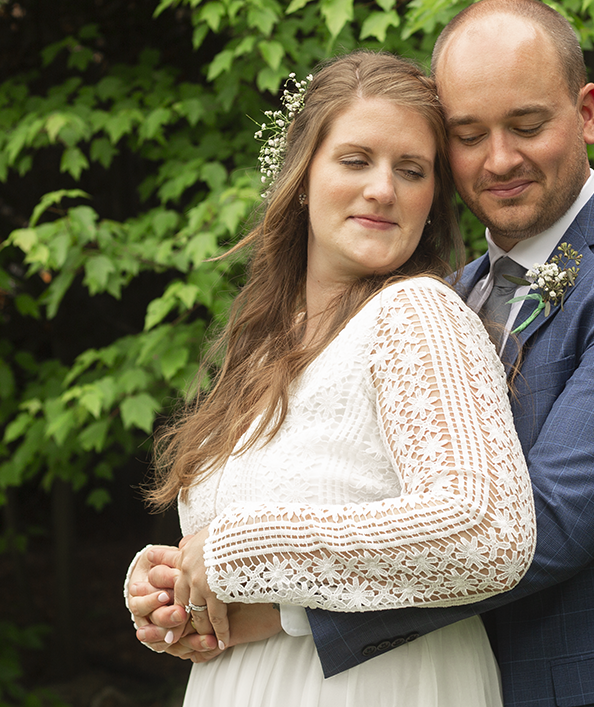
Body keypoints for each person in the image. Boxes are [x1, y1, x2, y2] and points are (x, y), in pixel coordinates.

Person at [131, 0, 594, 706]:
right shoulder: (436, 296)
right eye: (468, 133)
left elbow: (541, 527)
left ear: (587, 113)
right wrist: (177, 589)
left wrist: (277, 608)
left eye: (527, 125)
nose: (500, 158)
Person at [124, 49, 537, 707]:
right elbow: (245, 548)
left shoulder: (416, 316)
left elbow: (487, 534)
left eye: (411, 170)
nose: (383, 189)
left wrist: (234, 548)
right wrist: (173, 587)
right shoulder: (262, 345)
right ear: (303, 174)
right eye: (356, 160)